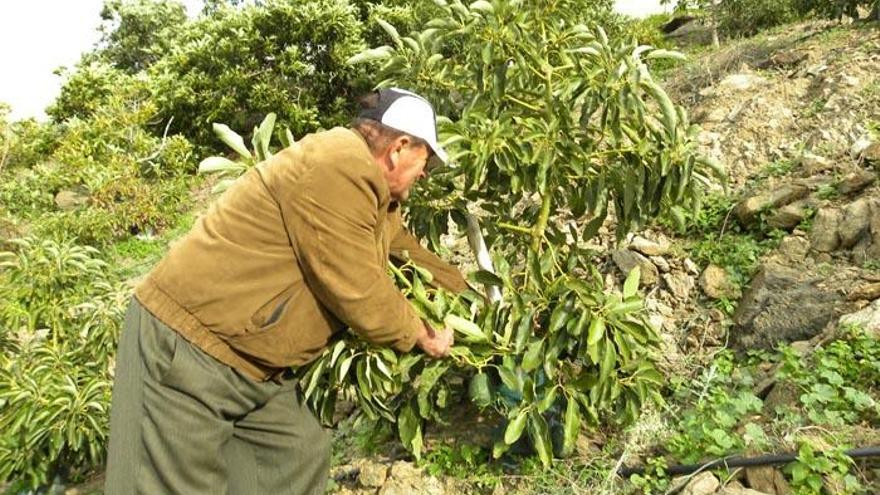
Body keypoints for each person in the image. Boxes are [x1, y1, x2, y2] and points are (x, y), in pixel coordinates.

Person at [104, 88, 469, 494]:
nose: (425, 173)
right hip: (188, 346)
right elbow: (356, 285)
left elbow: (406, 252)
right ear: (399, 148)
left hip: (253, 365)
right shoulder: (337, 164)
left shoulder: (376, 199)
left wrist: (468, 294)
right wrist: (420, 333)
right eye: (426, 161)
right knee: (166, 482)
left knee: (294, 451)